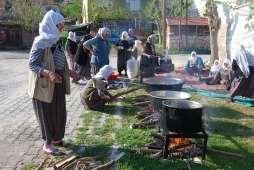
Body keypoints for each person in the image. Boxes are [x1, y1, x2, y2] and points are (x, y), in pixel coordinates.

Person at [28, 10, 78, 155]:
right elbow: (32, 65)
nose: (62, 28)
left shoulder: (56, 40)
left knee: (59, 113)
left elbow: (58, 60)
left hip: (58, 83)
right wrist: (48, 73)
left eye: (62, 25)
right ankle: (47, 143)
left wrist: (70, 72)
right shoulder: (40, 42)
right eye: (60, 25)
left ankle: (57, 139)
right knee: (46, 115)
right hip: (43, 86)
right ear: (51, 24)